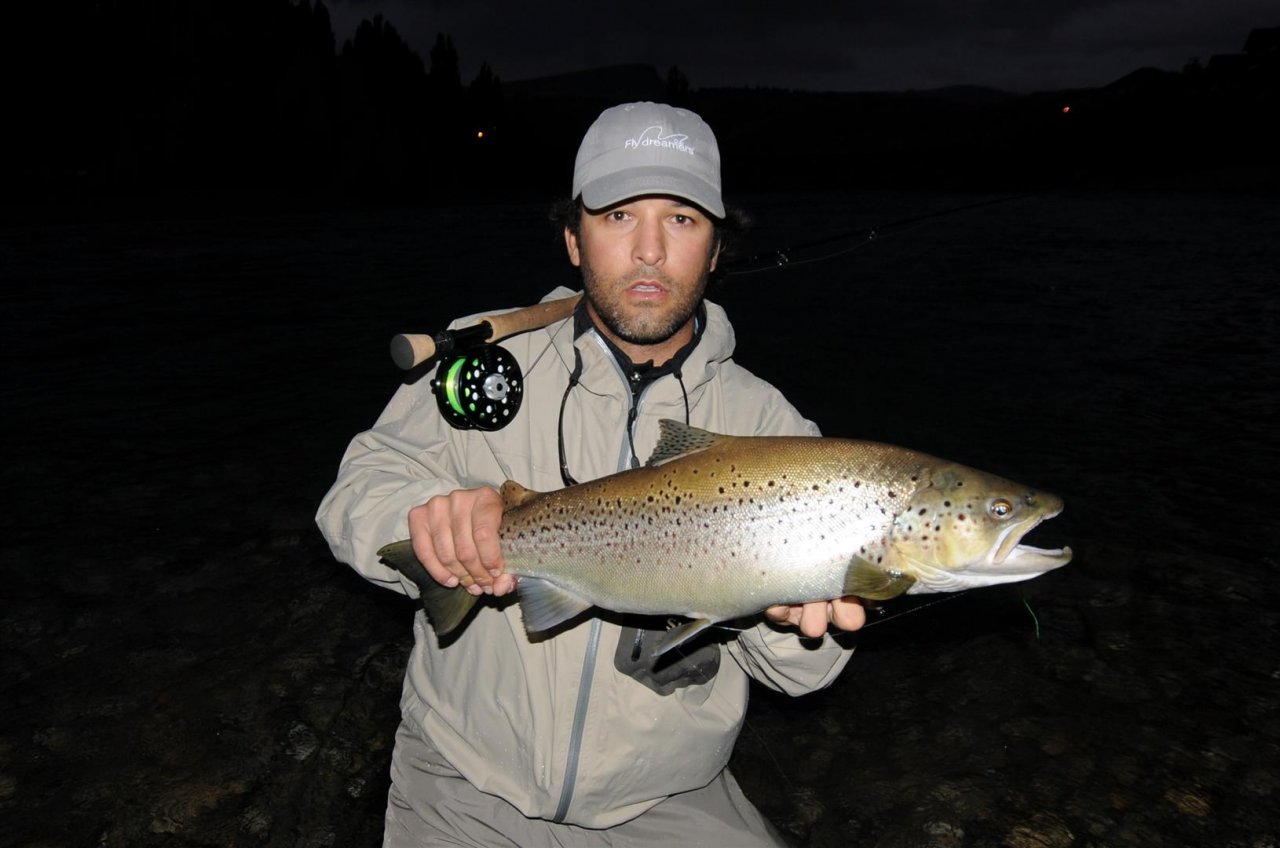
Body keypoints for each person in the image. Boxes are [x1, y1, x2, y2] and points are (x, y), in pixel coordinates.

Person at [316, 101, 866, 847]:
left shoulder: (770, 430)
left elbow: (803, 677)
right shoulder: (480, 365)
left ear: (714, 250)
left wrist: (782, 619)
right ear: (573, 240)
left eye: (680, 219)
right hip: (464, 783)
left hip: (668, 800)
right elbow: (356, 490)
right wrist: (423, 520)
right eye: (617, 217)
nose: (648, 251)